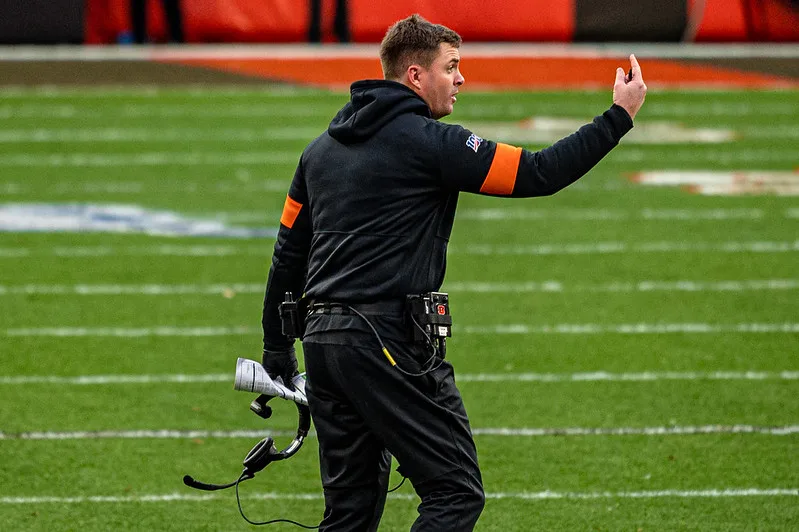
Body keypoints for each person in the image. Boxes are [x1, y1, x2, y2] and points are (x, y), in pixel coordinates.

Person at [260, 14, 646, 531]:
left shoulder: (318, 152)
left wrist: (277, 347)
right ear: (415, 75)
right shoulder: (430, 143)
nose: (461, 78)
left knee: (348, 516)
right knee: (455, 493)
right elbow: (539, 173)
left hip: (324, 345)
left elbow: (287, 255)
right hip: (387, 340)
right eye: (451, 67)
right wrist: (618, 117)